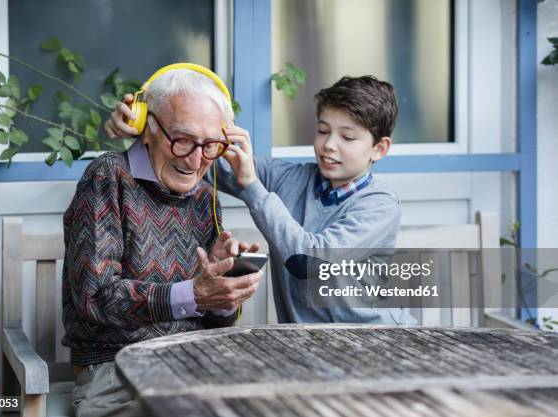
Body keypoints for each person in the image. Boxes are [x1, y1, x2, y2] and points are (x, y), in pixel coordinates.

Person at [106, 75, 416, 326]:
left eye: (347, 138)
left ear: (379, 149)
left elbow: (307, 261)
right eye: (323, 131)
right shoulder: (290, 178)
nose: (329, 146)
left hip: (379, 342)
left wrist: (253, 186)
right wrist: (144, 126)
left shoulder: (379, 204)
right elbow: (198, 159)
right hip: (314, 352)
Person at [63, 65, 262, 417]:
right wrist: (194, 293)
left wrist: (222, 293)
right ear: (146, 129)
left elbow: (213, 324)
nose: (196, 159)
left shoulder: (205, 197)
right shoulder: (107, 176)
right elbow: (94, 299)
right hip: (117, 372)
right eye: (183, 139)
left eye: (210, 145)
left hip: (196, 365)